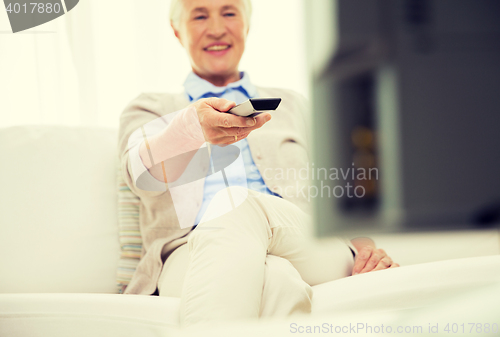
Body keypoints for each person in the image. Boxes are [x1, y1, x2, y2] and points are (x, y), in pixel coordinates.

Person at [117, 0, 399, 328]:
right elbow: (138, 173)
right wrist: (191, 128)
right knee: (278, 281)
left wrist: (366, 249)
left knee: (232, 204)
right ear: (176, 29)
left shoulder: (294, 104)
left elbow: (344, 191)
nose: (217, 28)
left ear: (247, 23)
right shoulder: (149, 108)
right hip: (188, 252)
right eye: (199, 15)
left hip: (305, 242)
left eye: (229, 12)